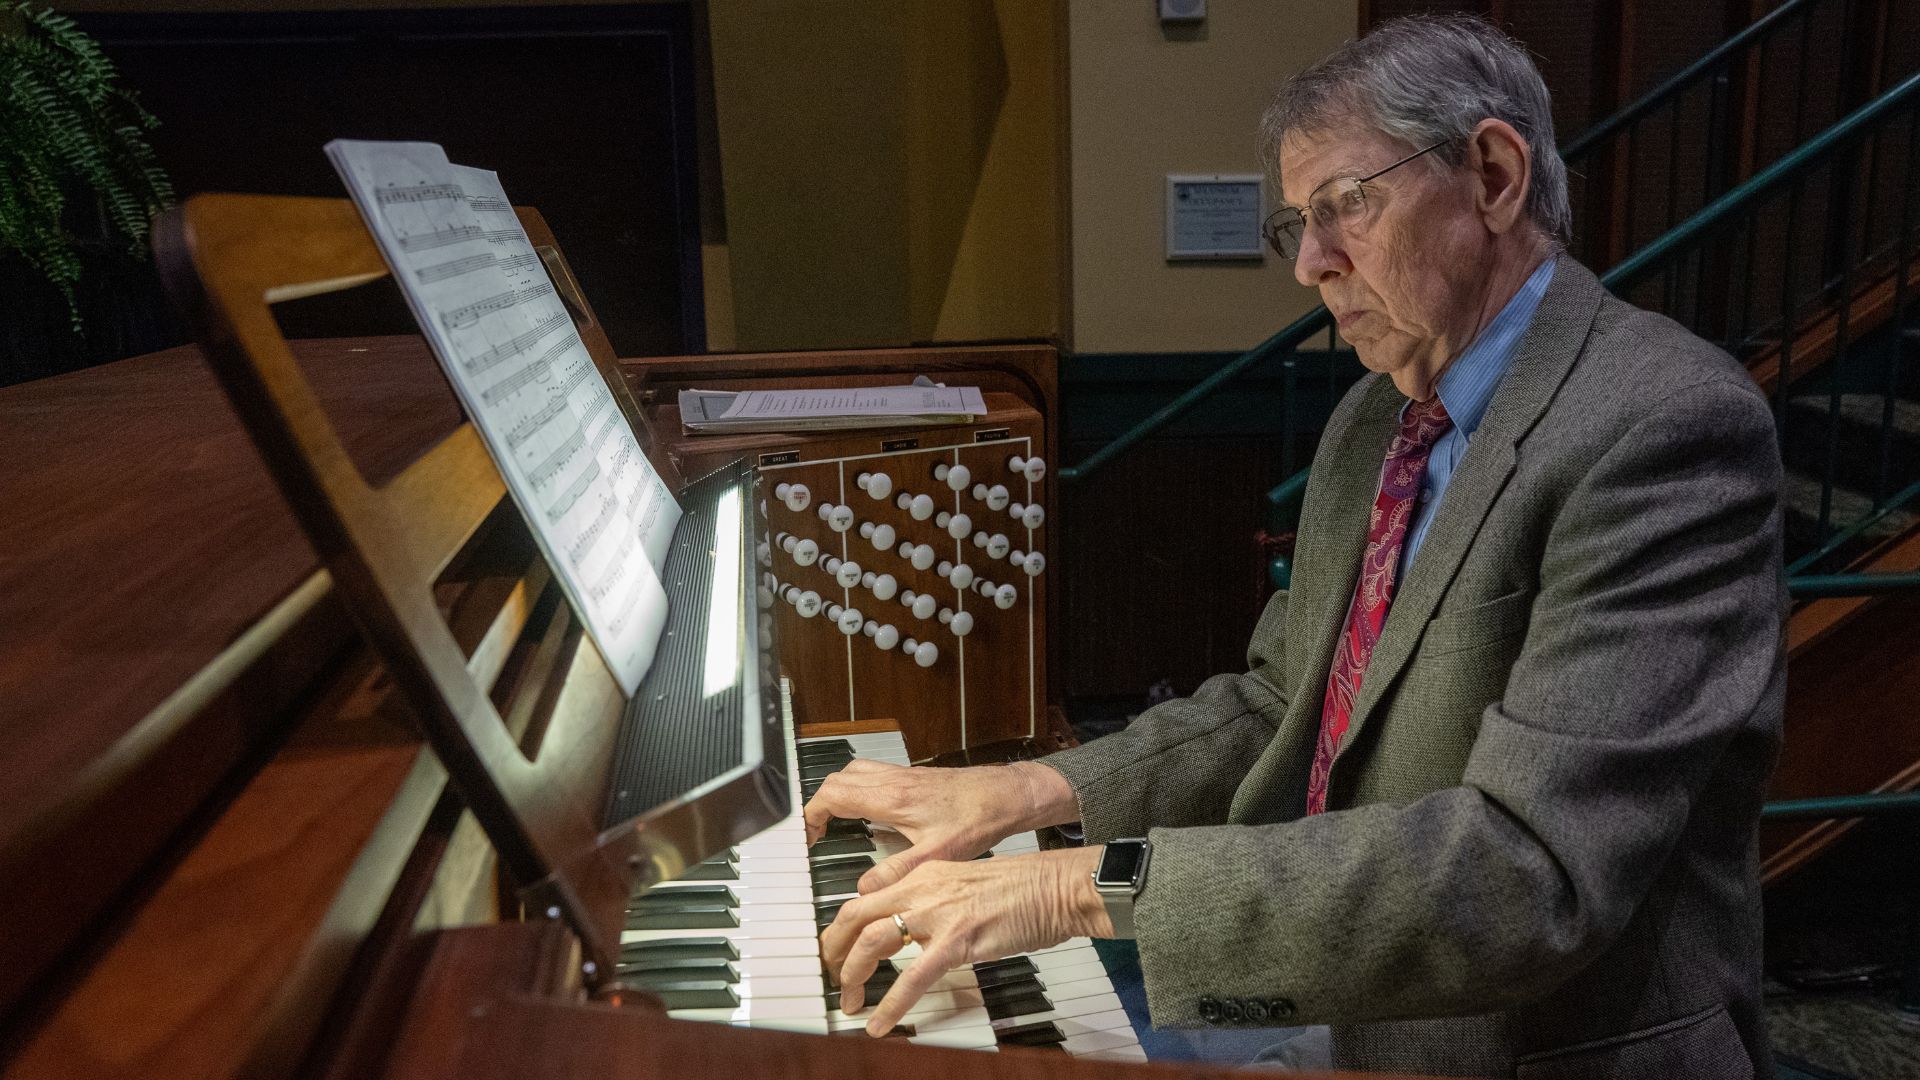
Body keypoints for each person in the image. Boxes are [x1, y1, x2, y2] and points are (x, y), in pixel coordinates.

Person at [805, 14, 1785, 1077]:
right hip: (1333, 1002)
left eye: (1344, 206)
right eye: (1295, 224)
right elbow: (1280, 704)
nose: (1310, 264)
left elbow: (1527, 874)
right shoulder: (1377, 419)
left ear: (1494, 176)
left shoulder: (1662, 427)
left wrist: (1071, 885)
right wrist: (1035, 793)